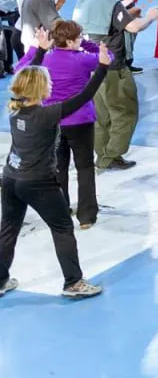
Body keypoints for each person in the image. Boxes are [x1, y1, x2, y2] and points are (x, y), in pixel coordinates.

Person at [0, 33, 110, 300]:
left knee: (8, 228)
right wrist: (103, 67)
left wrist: (39, 51)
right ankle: (73, 282)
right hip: (39, 182)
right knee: (62, 228)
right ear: (41, 89)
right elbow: (84, 96)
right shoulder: (47, 114)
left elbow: (26, 74)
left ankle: (1, 279)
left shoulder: (15, 108)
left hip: (10, 177)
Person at [13, 20, 102, 229]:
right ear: (71, 41)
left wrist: (37, 47)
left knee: (58, 167)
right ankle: (87, 216)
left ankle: (61, 209)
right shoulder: (82, 60)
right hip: (80, 121)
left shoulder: (45, 59)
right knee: (85, 166)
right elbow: (108, 59)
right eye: (79, 37)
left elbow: (20, 68)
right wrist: (88, 45)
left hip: (52, 121)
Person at [73, 0, 158, 170]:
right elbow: (133, 26)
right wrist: (151, 16)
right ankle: (111, 156)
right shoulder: (109, 0)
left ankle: (102, 154)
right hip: (113, 67)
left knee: (101, 115)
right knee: (125, 111)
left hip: (90, 67)